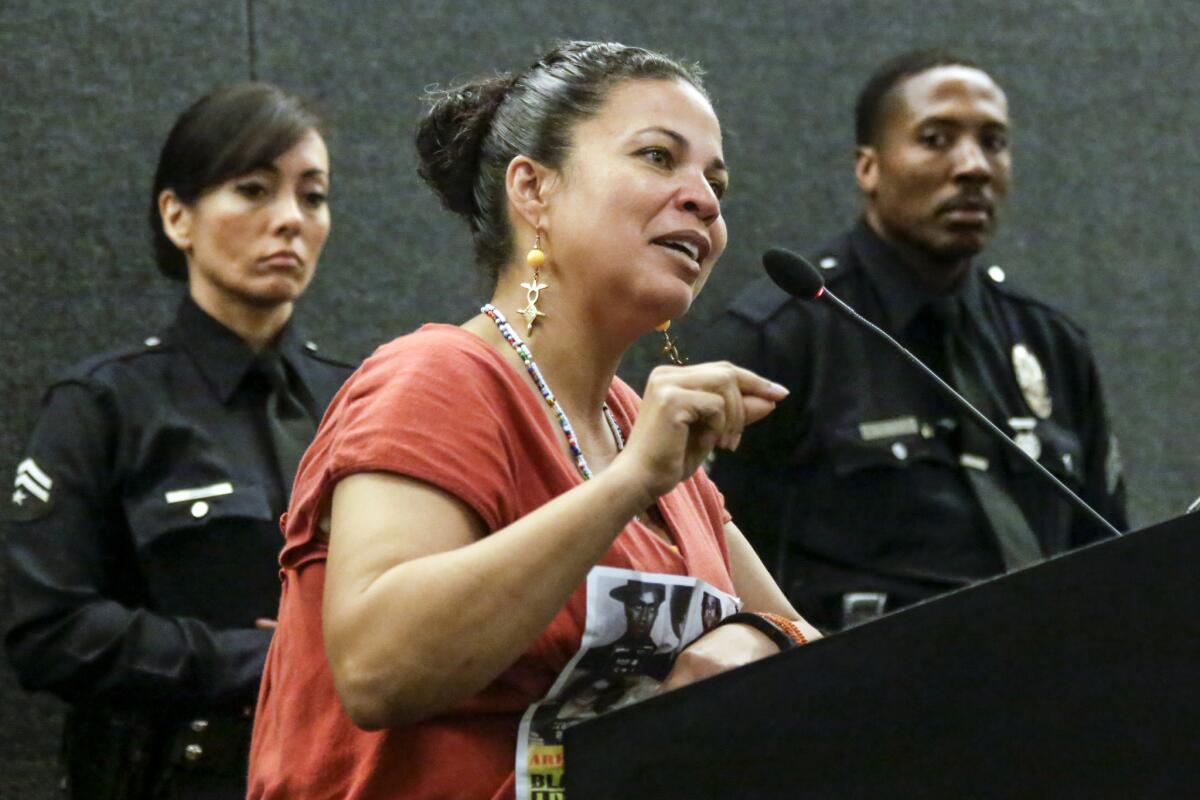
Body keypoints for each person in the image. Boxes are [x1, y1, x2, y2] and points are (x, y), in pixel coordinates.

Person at [246, 41, 819, 800]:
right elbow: (378, 670)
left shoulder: (638, 427)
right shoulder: (438, 377)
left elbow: (805, 648)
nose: (706, 201)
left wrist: (751, 638)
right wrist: (627, 484)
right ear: (534, 190)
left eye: (716, 182)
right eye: (658, 157)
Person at [696, 50, 1128, 632]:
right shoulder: (783, 335)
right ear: (868, 168)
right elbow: (703, 558)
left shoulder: (1048, 341)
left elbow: (1110, 551)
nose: (973, 166)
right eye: (936, 138)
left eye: (994, 143)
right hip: (862, 694)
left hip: (1050, 680)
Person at [3, 83, 354, 799]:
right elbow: (48, 630)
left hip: (348, 772)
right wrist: (260, 660)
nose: (289, 220)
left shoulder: (360, 398)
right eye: (252, 190)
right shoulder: (106, 404)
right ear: (177, 215)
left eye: (312, 197)